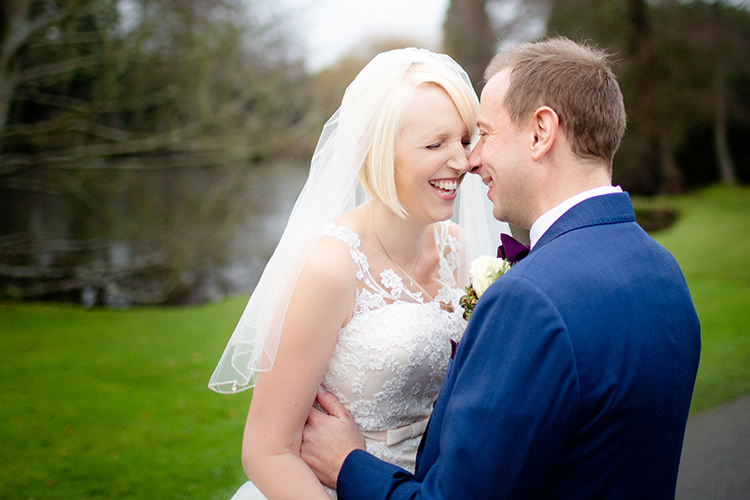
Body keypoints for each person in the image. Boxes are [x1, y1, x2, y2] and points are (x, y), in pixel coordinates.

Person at [299, 37, 702, 499]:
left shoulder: (531, 299)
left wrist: (348, 466)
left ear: (540, 132)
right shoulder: (664, 273)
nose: (471, 160)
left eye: (484, 134)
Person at [208, 48, 509, 499]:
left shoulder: (463, 250)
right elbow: (268, 452)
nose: (463, 162)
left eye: (464, 141)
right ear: (378, 153)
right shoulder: (331, 267)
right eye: (435, 144)